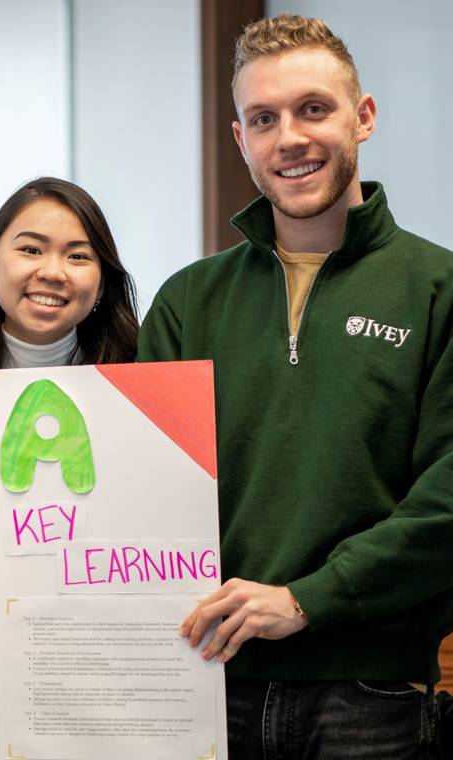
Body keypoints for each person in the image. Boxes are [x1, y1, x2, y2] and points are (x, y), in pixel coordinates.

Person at [139, 15, 451, 757]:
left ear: (363, 116)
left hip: (369, 695)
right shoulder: (189, 300)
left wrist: (307, 600)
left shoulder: (438, 289)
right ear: (241, 139)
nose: (291, 138)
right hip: (208, 679)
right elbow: (141, 491)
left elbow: (448, 497)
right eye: (264, 119)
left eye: (314, 108)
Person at [0, 177, 139, 369]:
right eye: (31, 250)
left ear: (102, 285)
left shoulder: (135, 388)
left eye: (77, 256)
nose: (53, 273)